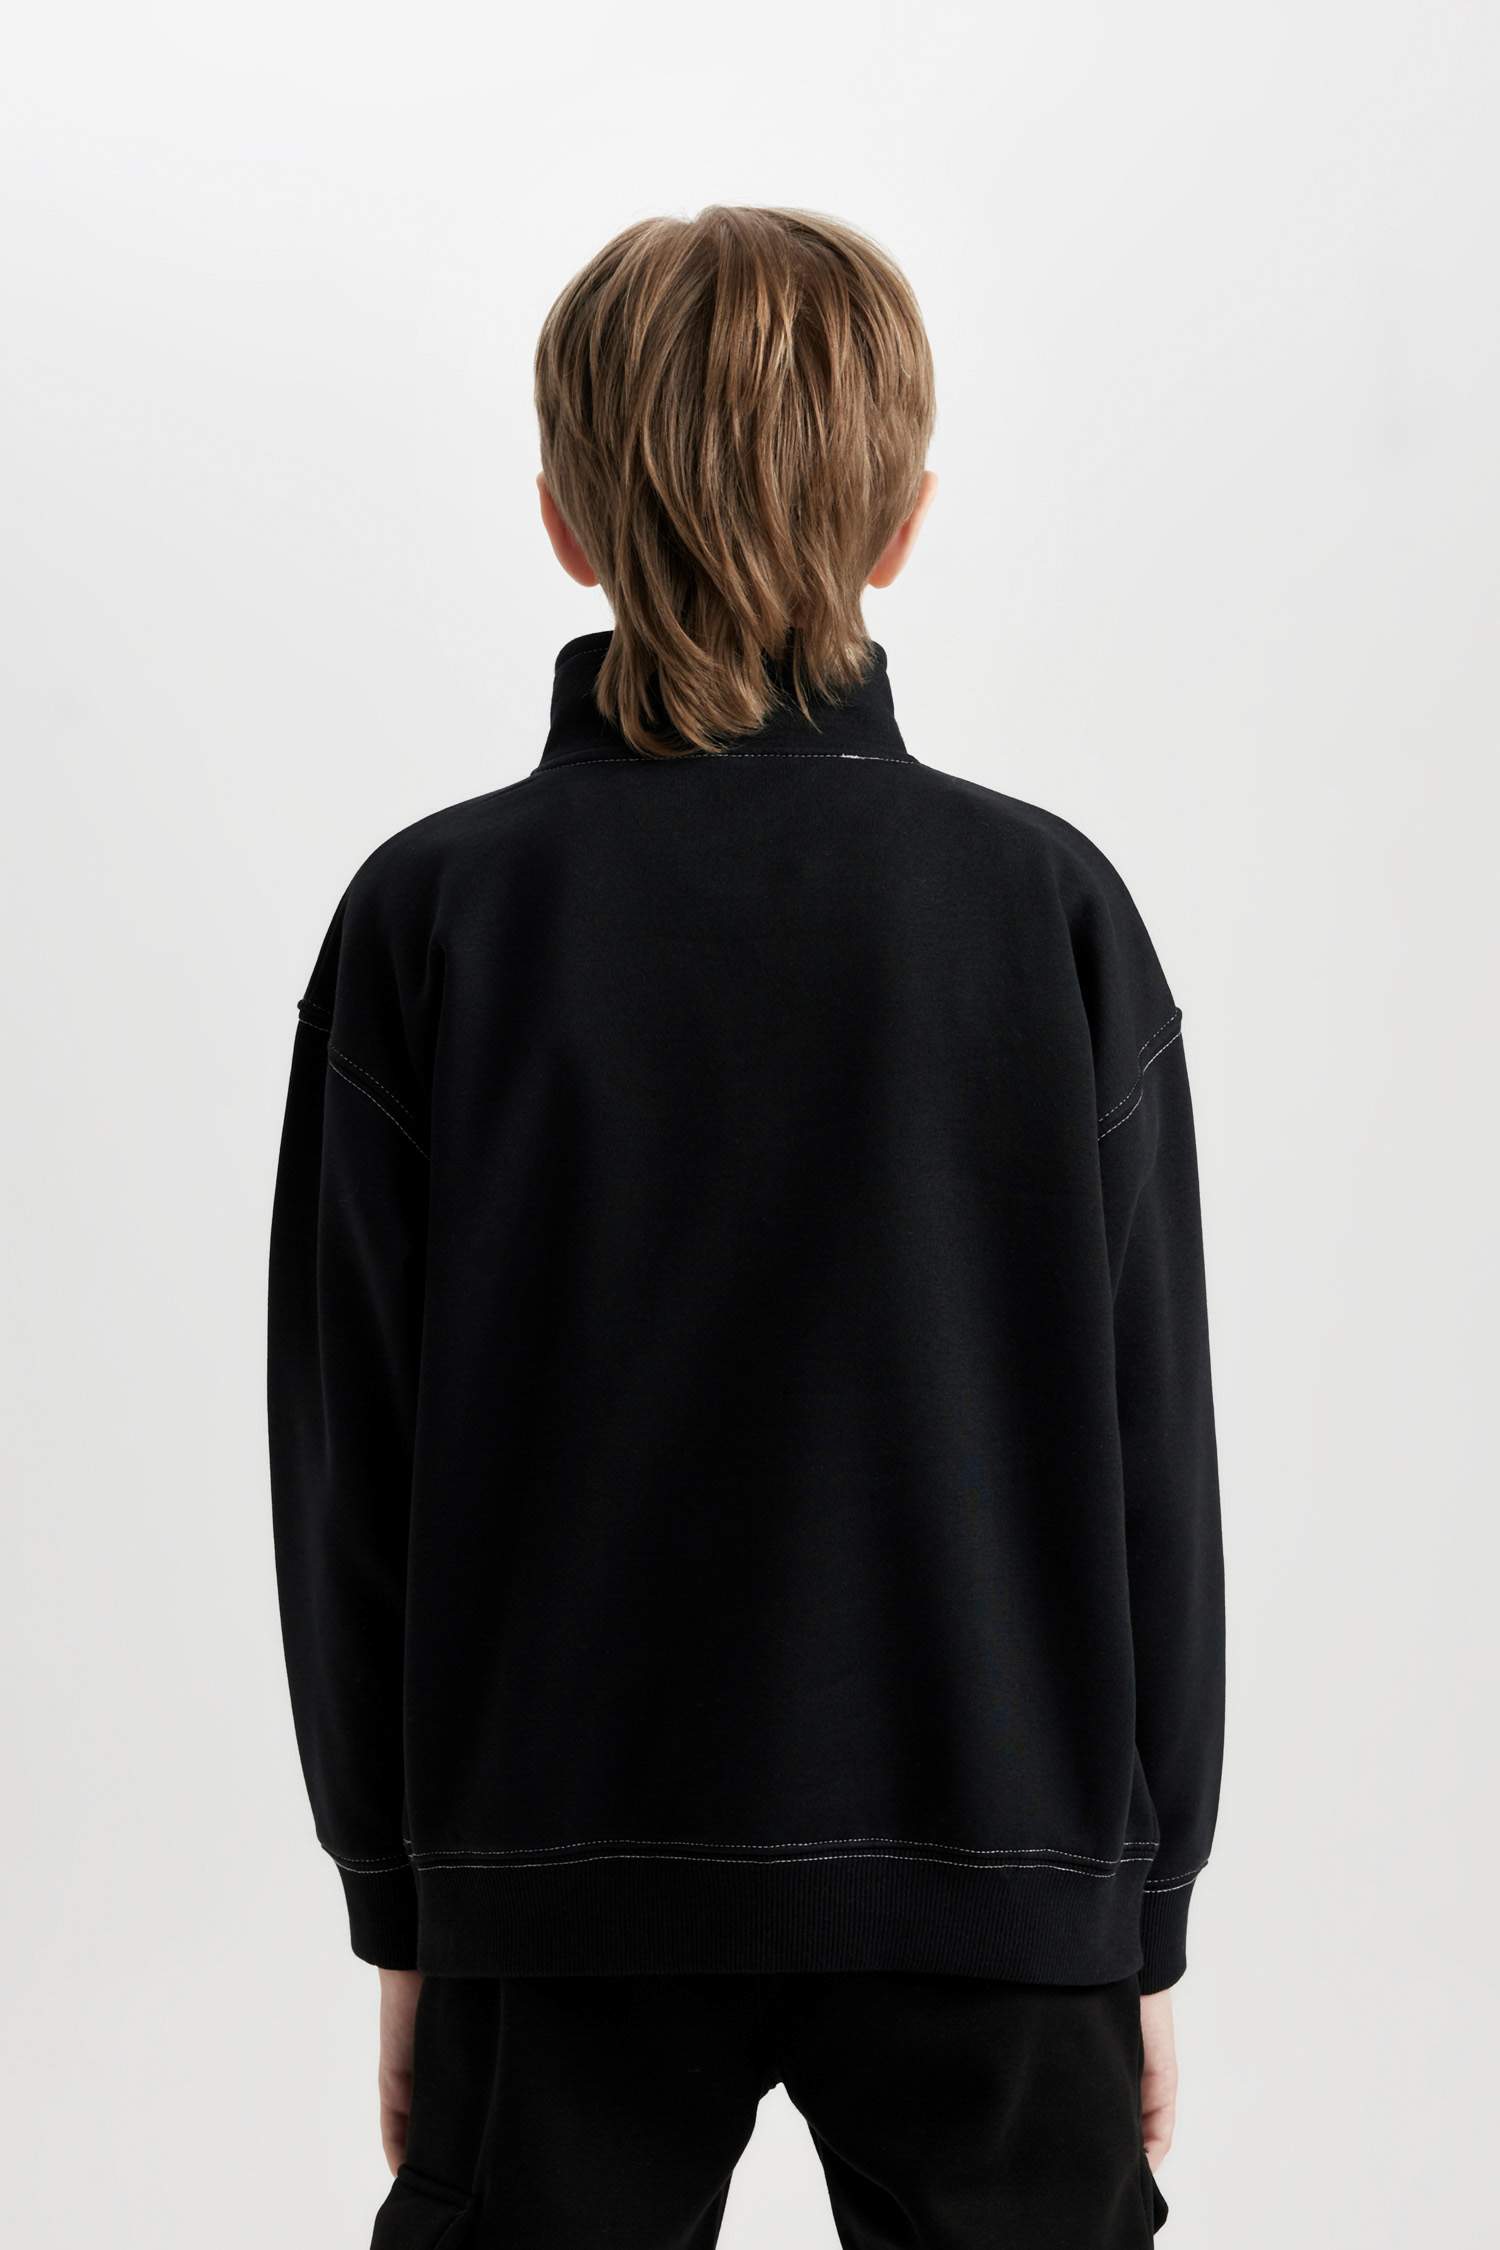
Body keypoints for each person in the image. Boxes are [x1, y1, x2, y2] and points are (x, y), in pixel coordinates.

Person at [267, 204, 1225, 2248]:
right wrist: (1137, 1914)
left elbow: (351, 1471)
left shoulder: (432, 922)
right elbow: (1151, 1455)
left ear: (562, 522)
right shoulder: (1047, 911)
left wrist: (403, 1906)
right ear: (905, 522)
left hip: (557, 1873)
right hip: (992, 1871)